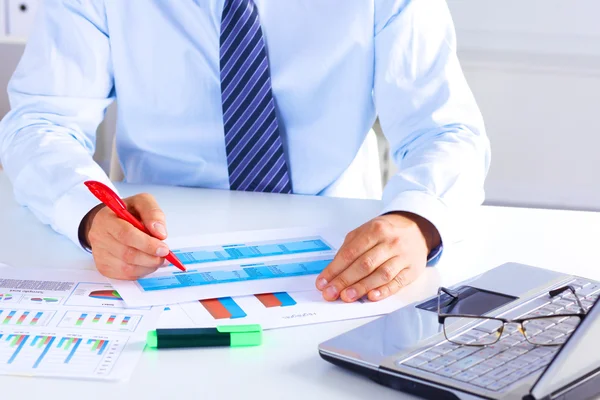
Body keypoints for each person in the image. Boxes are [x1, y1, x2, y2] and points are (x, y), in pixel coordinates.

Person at [0, 0, 489, 304]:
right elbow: (41, 121)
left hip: (337, 249)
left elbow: (445, 129)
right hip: (164, 248)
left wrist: (417, 221)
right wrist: (90, 215)